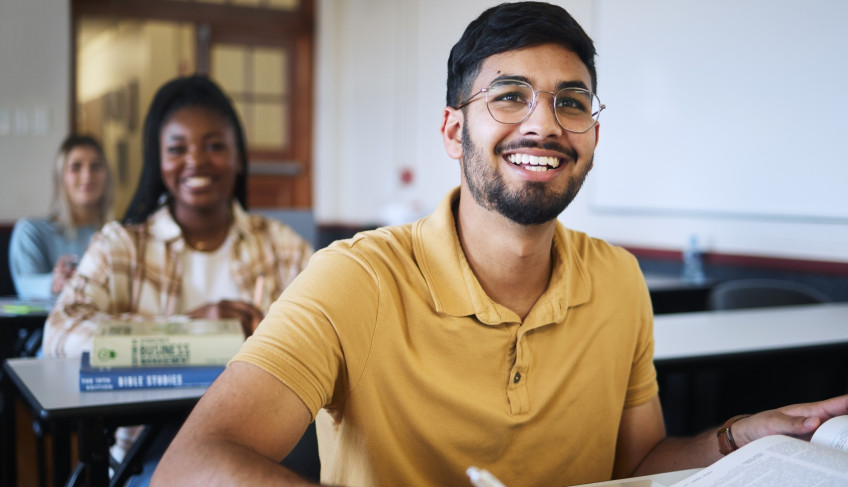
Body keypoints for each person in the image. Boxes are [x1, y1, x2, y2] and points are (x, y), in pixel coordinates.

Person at [152, 3, 848, 486]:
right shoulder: (354, 278)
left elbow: (638, 464)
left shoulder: (618, 281)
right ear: (455, 131)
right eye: (509, 96)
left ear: (593, 140)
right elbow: (191, 465)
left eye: (570, 102)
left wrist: (734, 439)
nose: (544, 124)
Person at [43, 74, 314, 481]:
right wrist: (188, 330)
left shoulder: (282, 246)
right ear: (158, 160)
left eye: (215, 146)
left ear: (239, 157)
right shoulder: (122, 246)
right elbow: (58, 335)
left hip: (266, 453)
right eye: (177, 148)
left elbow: (333, 331)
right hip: (145, 453)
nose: (196, 161)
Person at [9, 134, 113, 299]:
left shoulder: (118, 234)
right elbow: (26, 286)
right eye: (76, 167)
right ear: (60, 177)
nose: (87, 177)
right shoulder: (30, 231)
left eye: (95, 166)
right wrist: (54, 283)